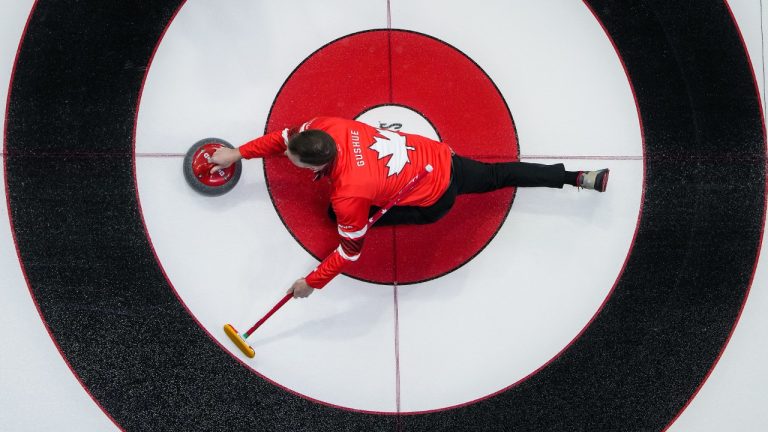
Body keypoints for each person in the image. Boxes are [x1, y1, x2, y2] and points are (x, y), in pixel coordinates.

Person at [209, 116, 608, 299]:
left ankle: (571, 178)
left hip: (433, 201)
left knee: (338, 220)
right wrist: (238, 153)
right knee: (499, 175)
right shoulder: (328, 125)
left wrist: (312, 284)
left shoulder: (346, 196)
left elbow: (351, 249)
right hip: (442, 160)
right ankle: (575, 177)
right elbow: (284, 139)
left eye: (297, 163)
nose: (288, 159)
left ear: (317, 165)